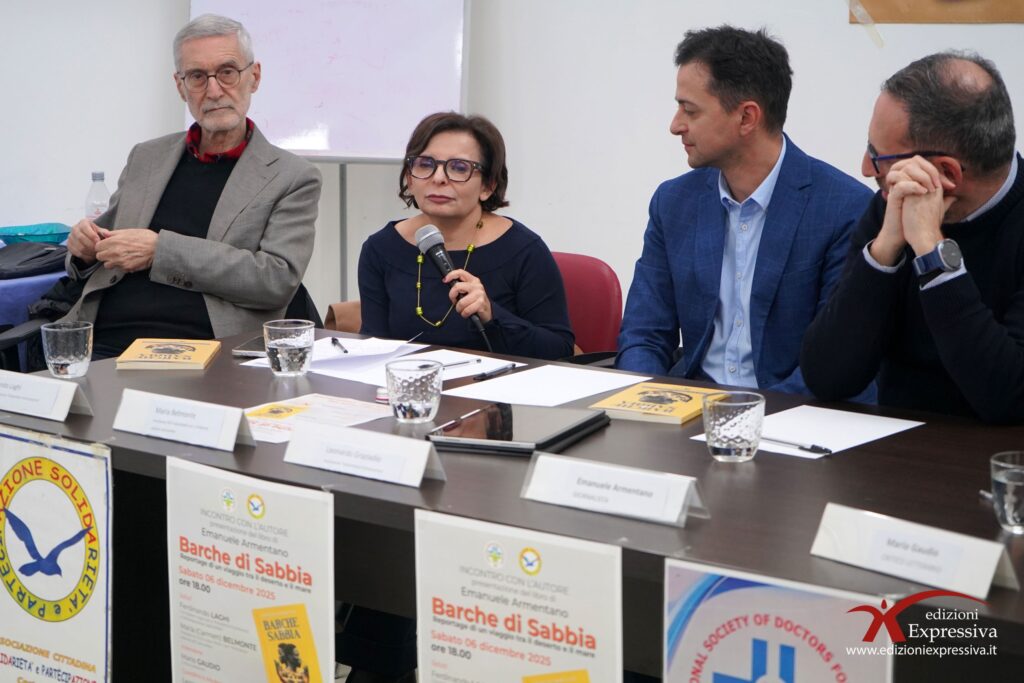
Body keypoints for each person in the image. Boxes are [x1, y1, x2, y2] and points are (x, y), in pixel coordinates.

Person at [616, 26, 872, 394]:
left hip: (793, 414)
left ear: (747, 117)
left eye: (689, 110)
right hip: (691, 409)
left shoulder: (844, 209)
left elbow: (837, 361)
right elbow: (643, 334)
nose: (675, 125)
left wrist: (746, 417)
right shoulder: (673, 203)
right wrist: (648, 403)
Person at [62, 14, 321, 358]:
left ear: (254, 77)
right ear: (180, 86)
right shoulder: (147, 157)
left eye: (227, 72)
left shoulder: (291, 176)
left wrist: (160, 251)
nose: (213, 90)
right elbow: (104, 243)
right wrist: (83, 250)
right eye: (197, 76)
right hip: (102, 342)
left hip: (204, 349)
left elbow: (276, 280)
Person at [801, 52, 1024, 423]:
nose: (864, 169)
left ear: (945, 172)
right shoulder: (891, 206)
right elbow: (827, 377)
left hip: (1000, 455)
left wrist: (933, 254)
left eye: (878, 156)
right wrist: (883, 251)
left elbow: (1010, 400)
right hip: (894, 447)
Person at [358, 112, 574, 360]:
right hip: (410, 382)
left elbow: (559, 349)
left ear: (488, 186)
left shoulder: (524, 249)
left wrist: (493, 315)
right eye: (425, 164)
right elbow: (374, 347)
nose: (438, 178)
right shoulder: (381, 248)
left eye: (459, 168)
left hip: (497, 383)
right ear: (409, 177)